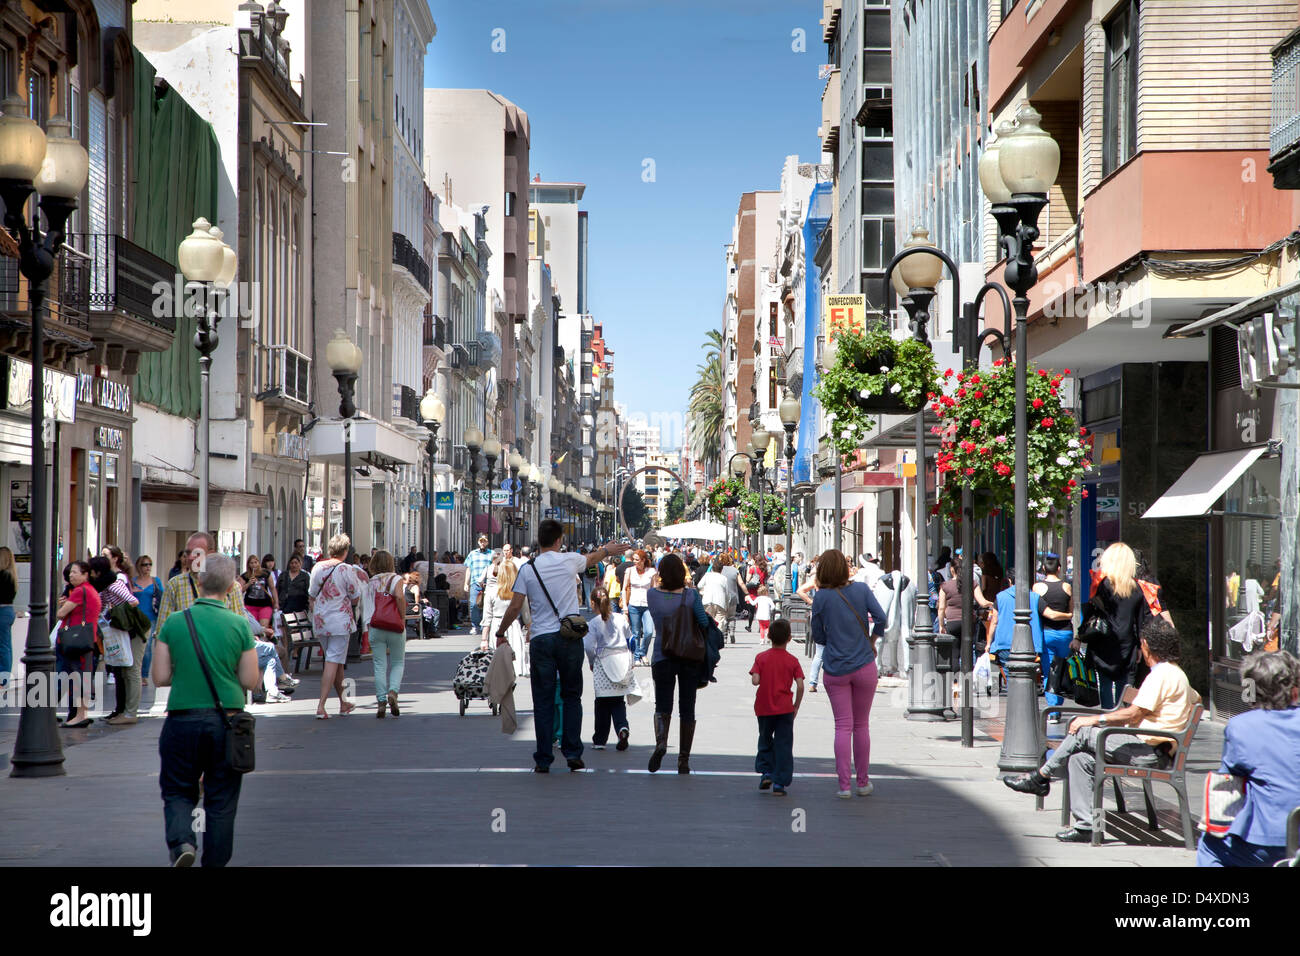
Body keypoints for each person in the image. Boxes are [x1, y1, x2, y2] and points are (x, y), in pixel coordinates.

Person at [1003, 620, 1201, 844]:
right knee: (1080, 759)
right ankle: (1086, 826)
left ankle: (1041, 777)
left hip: (1151, 752)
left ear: (1146, 645)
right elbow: (1196, 699)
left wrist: (1094, 719)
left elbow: (1133, 714)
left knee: (1084, 731)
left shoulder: (1162, 674)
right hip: (1154, 748)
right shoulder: (1175, 673)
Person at [491, 520, 630, 772]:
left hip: (541, 640)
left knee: (543, 700)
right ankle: (573, 751)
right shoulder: (569, 560)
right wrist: (609, 550)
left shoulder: (528, 568)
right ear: (558, 541)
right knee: (571, 697)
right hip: (569, 638)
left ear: (540, 540)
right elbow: (592, 558)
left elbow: (514, 606)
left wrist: (500, 632)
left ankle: (543, 758)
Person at [151, 553, 260, 867]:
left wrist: (185, 671)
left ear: (198, 582)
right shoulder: (239, 625)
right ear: (230, 587)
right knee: (222, 800)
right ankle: (215, 862)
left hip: (182, 719)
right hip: (227, 722)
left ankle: (183, 841)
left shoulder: (174, 622)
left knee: (177, 789)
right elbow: (251, 680)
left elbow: (159, 677)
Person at [1196, 650, 1300, 867]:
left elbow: (1229, 777)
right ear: (1294, 690)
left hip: (1267, 841)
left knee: (1209, 848)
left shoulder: (1241, 726)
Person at [810, 549, 887, 798]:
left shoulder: (821, 597)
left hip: (835, 668)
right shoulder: (862, 590)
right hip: (864, 664)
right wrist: (872, 640)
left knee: (842, 726)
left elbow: (818, 635)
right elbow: (881, 618)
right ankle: (863, 783)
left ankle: (844, 786)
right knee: (861, 725)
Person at [644, 553, 715, 775]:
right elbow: (703, 622)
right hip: (688, 655)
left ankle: (661, 743)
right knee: (687, 707)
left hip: (662, 656)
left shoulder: (652, 595)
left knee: (662, 705)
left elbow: (657, 595)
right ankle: (683, 760)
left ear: (661, 573)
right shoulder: (691, 595)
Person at [1078, 542, 1149, 709]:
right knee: (1126, 687)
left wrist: (1079, 636)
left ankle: (1107, 721)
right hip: (1128, 644)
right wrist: (1140, 647)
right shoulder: (1138, 588)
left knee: (1105, 685)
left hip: (1103, 641)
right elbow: (1140, 621)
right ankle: (1122, 721)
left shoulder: (1102, 585)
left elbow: (1091, 612)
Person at [308, 533, 363, 719]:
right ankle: (321, 705)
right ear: (345, 551)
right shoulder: (346, 569)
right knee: (332, 661)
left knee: (337, 661)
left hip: (321, 620)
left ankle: (343, 702)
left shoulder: (317, 567)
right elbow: (355, 597)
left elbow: (312, 594)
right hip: (340, 620)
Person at [751, 618, 804, 796]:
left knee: (765, 738)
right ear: (789, 638)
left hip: (764, 707)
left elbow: (755, 680)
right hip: (785, 708)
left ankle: (766, 772)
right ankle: (780, 783)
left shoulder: (761, 657)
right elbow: (800, 685)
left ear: (769, 636)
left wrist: (758, 678)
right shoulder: (793, 660)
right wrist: (796, 705)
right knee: (784, 744)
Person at [157, 533, 247, 633]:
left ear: (211, 554)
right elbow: (162, 631)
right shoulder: (174, 585)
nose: (191, 558)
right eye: (188, 552)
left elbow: (241, 630)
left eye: (197, 553)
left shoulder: (232, 586)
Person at [90, 555, 143, 725]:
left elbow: (133, 601)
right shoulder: (105, 585)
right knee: (123, 669)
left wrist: (119, 613)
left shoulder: (113, 584)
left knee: (132, 669)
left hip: (134, 629)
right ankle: (123, 711)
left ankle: (130, 713)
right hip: (123, 629)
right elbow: (103, 605)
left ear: (97, 572)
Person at [584, 585, 633, 751]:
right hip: (621, 661)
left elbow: (589, 647)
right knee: (618, 700)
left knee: (602, 702)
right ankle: (622, 728)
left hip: (603, 662)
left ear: (592, 603)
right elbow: (629, 638)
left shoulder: (593, 623)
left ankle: (600, 739)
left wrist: (592, 661)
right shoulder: (620, 618)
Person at [365, 549, 408, 719]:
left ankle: (381, 701)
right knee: (398, 662)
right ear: (391, 563)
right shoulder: (395, 579)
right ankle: (393, 692)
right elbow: (399, 597)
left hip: (376, 625)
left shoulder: (371, 581)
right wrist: (403, 618)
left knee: (379, 664)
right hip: (394, 625)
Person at [56, 560, 99, 728]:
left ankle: (79, 716)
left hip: (75, 640)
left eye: (75, 572)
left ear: (85, 574)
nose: (71, 575)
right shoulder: (90, 590)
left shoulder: (80, 591)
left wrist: (64, 605)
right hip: (88, 640)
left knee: (77, 676)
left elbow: (61, 614)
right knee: (83, 676)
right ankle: (82, 714)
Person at [1033, 553, 1074, 706]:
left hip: (1046, 632)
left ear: (1043, 568)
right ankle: (1059, 704)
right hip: (1065, 633)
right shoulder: (1066, 586)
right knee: (1062, 669)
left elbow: (1038, 611)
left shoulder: (1037, 587)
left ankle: (1053, 708)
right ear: (1058, 568)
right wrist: (1067, 615)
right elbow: (1071, 611)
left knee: (1049, 670)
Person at [132, 555, 162, 686]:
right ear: (139, 566)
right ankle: (135, 672)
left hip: (150, 618)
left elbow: (162, 597)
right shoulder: (132, 581)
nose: (148, 567)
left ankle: (144, 675)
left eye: (150, 564)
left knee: (147, 646)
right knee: (134, 646)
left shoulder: (155, 581)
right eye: (145, 564)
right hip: (135, 617)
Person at [623, 549, 656, 664]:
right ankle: (637, 657)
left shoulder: (651, 571)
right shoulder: (629, 571)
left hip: (648, 606)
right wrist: (624, 607)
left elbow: (654, 589)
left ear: (643, 560)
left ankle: (643, 653)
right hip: (634, 605)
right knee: (636, 633)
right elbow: (624, 589)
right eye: (633, 559)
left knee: (649, 632)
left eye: (637, 559)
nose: (634, 562)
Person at [464, 535, 494, 637]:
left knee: (487, 605)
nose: (482, 543)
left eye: (484, 541)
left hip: (488, 584)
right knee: (473, 604)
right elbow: (469, 569)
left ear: (487, 542)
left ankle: (485, 625)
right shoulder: (472, 554)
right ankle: (475, 625)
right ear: (478, 542)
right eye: (481, 541)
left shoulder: (491, 553)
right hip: (475, 583)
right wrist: (466, 583)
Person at [240, 554, 278, 631]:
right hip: (250, 605)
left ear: (259, 563)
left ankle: (263, 641)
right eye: (251, 563)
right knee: (253, 628)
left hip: (265, 605)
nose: (254, 565)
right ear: (248, 565)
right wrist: (248, 583)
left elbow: (272, 588)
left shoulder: (266, 573)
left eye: (255, 562)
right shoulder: (245, 576)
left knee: (263, 627)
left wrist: (276, 602)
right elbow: (240, 590)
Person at [698, 557, 731, 634]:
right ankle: (717, 637)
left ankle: (708, 637)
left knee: (708, 621)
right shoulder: (723, 578)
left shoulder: (707, 575)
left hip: (707, 601)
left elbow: (699, 585)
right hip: (720, 602)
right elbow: (727, 593)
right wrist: (727, 605)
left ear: (712, 568)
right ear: (721, 569)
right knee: (719, 622)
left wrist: (704, 590)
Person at [0, 547, 15, 687]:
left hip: (2, 612)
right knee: (6, 646)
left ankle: (2, 679)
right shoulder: (11, 575)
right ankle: (4, 677)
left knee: (3, 646)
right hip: (8, 611)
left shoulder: (3, 575)